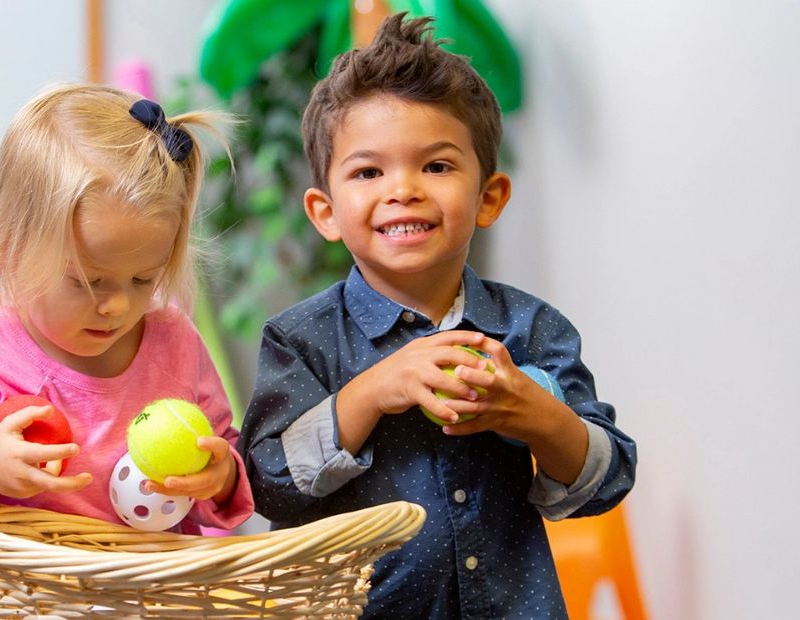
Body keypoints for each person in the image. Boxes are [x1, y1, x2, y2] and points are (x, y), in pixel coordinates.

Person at [238, 14, 637, 618]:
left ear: (488, 198)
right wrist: (372, 392)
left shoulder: (530, 328)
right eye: (368, 172)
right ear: (325, 212)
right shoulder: (300, 340)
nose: (403, 189)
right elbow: (266, 484)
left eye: (437, 166)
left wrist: (535, 414)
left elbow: (607, 480)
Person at [0, 84, 255, 620]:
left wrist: (219, 477)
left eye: (143, 279)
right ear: (11, 249)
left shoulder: (175, 343)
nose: (117, 305)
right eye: (87, 281)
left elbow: (229, 470)